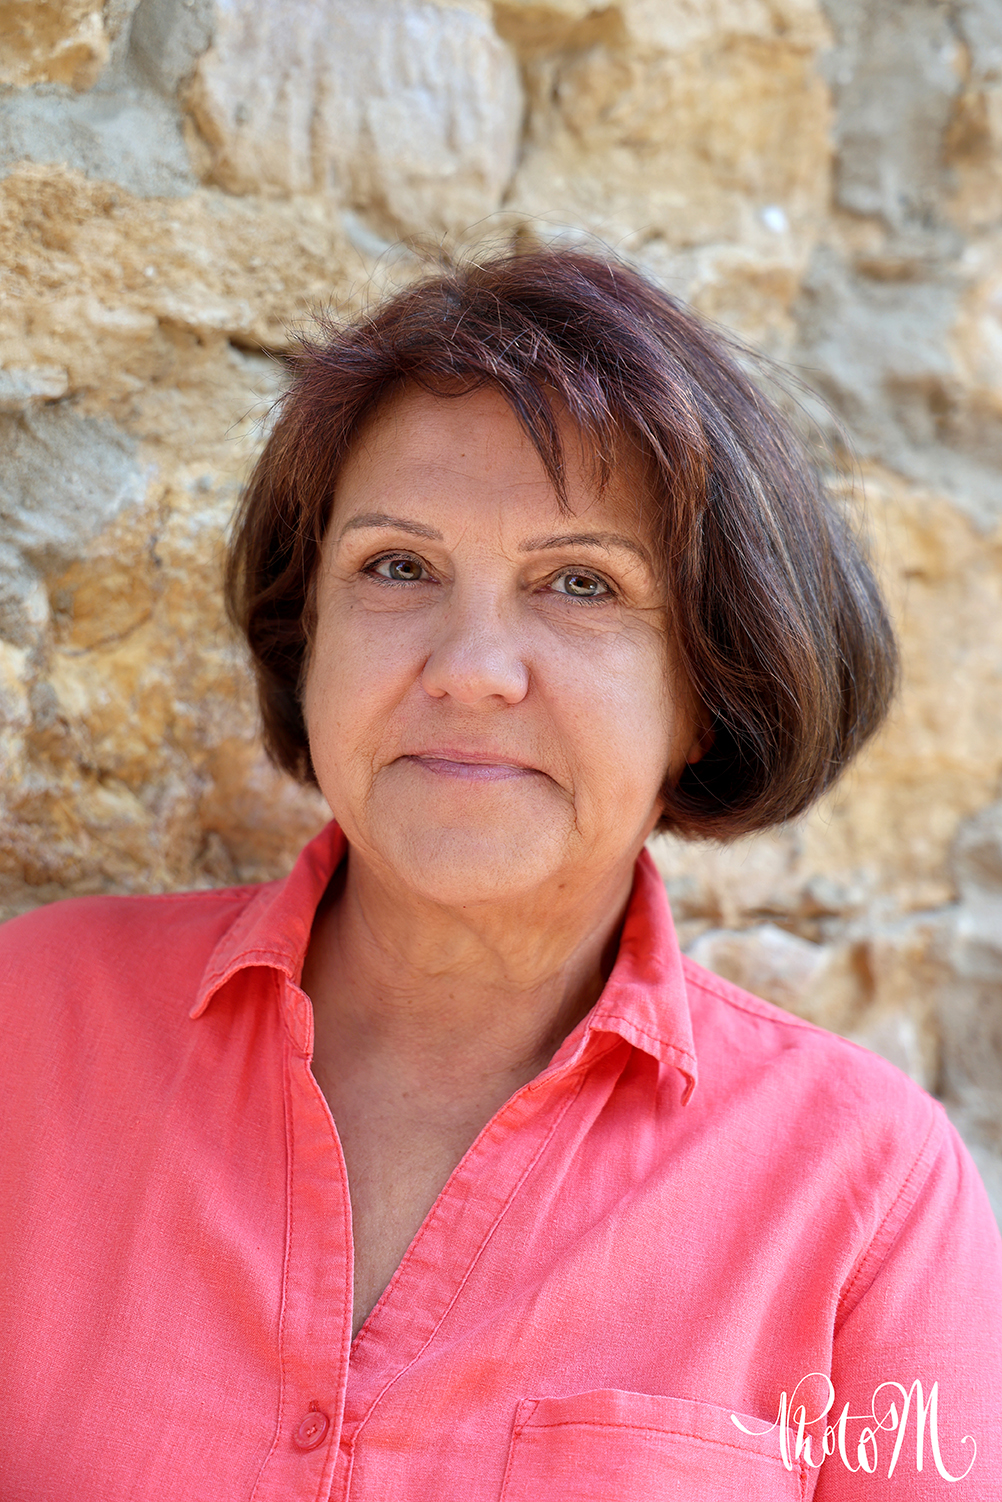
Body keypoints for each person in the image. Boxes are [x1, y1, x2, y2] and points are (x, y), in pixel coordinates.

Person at [1, 248, 1000, 1501]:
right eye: (398, 566)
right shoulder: (29, 1023)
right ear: (310, 634)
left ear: (708, 690)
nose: (471, 667)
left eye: (580, 582)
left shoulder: (867, 1195)